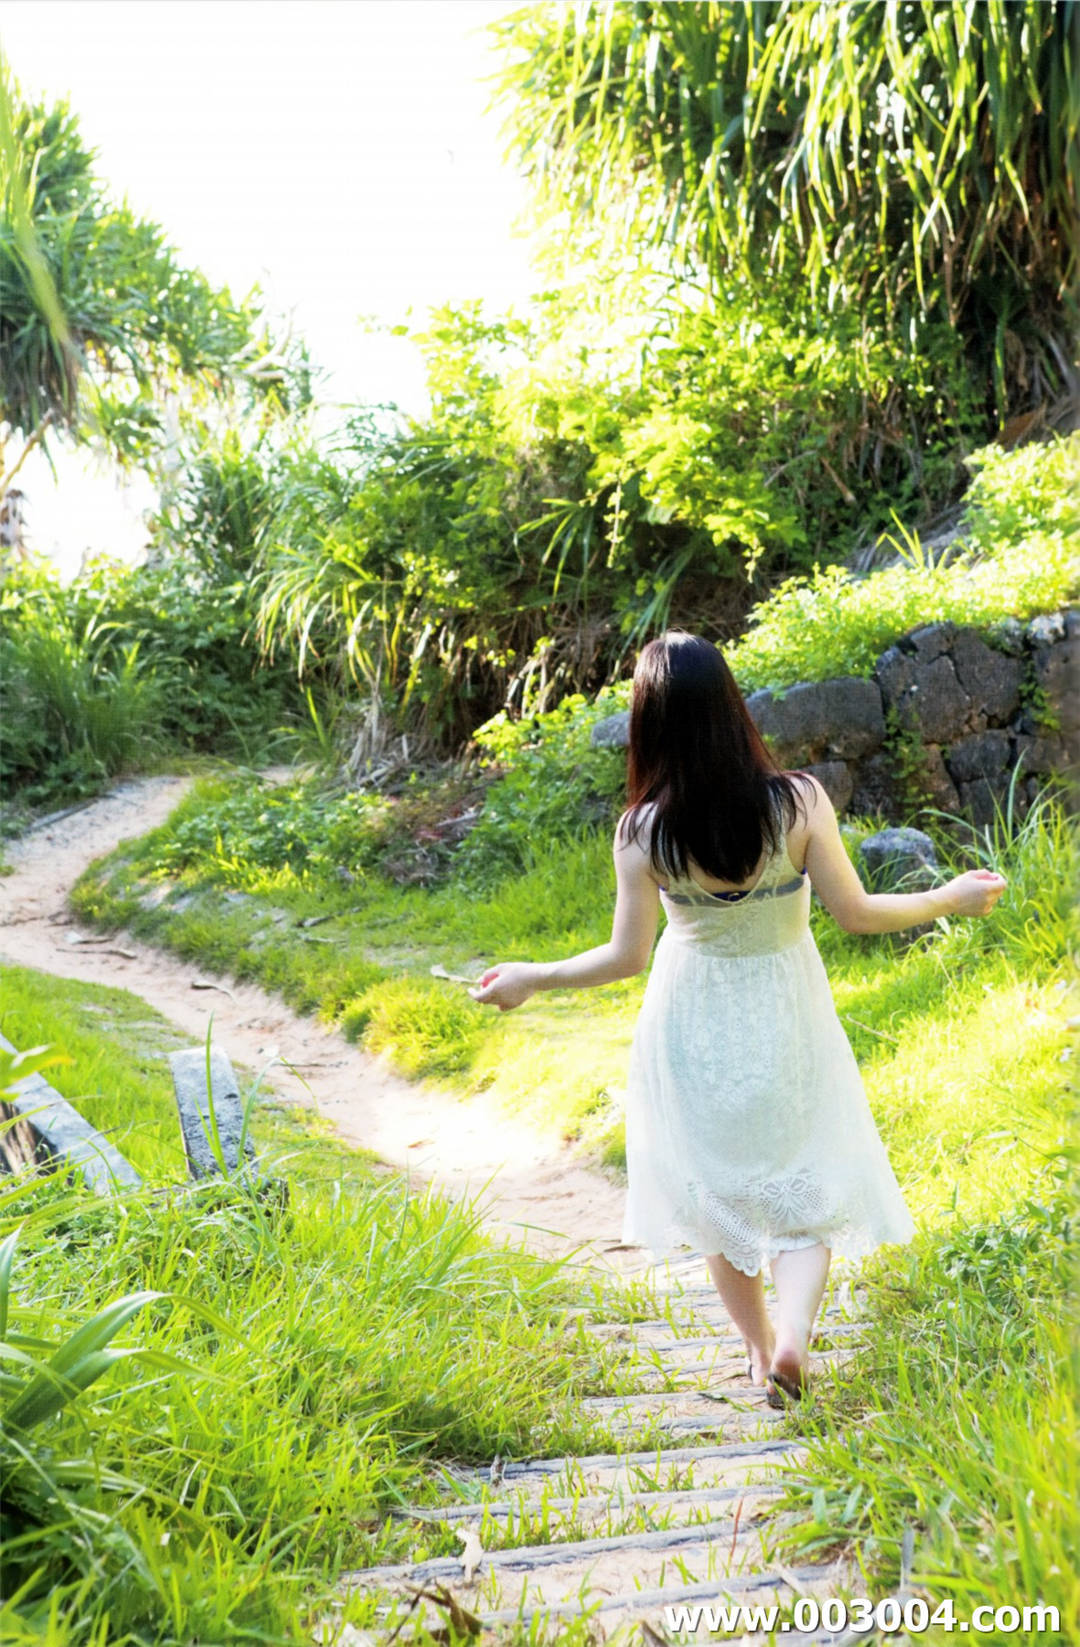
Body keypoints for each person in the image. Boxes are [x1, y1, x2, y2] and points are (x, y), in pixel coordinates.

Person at [469, 632, 1006, 1408]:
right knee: (805, 1185)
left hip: (690, 1019)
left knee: (715, 1200)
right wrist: (946, 897)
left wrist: (530, 977)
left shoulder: (642, 830)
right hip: (786, 1007)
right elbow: (856, 913)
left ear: (647, 722)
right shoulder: (797, 802)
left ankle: (759, 1351)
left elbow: (625, 956)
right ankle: (792, 1337)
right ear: (731, 704)